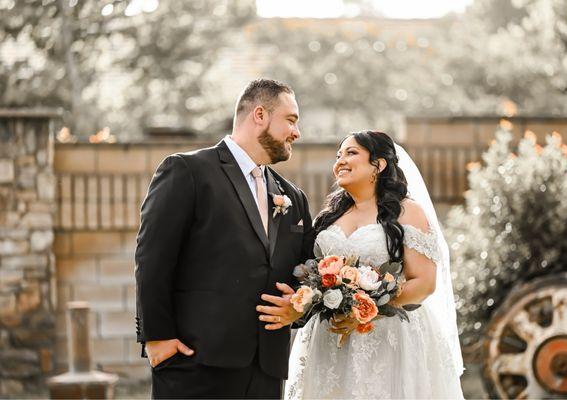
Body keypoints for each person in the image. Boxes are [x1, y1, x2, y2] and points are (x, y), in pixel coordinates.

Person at [135, 78, 314, 399]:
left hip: (267, 369)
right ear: (259, 115)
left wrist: (298, 308)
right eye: (291, 120)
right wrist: (157, 338)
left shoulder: (293, 197)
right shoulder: (187, 171)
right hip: (195, 362)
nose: (296, 132)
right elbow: (153, 258)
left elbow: (307, 272)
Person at [284, 131, 464, 399]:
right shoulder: (329, 217)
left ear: (378, 165)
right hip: (330, 338)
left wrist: (361, 311)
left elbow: (424, 283)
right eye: (338, 155)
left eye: (351, 153)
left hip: (389, 338)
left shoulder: (407, 212)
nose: (340, 161)